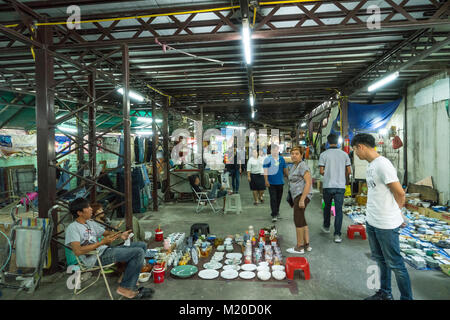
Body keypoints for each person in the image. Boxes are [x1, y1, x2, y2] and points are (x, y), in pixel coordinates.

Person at [351, 133, 412, 300]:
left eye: (355, 149)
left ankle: (407, 298)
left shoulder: (383, 165)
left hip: (386, 224)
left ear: (361, 147)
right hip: (372, 221)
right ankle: (385, 293)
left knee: (396, 264)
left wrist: (397, 213)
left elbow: (400, 193)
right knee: (380, 261)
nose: (355, 153)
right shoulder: (371, 165)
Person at [65, 198, 152, 299]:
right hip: (95, 258)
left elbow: (106, 233)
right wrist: (101, 242)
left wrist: (120, 235)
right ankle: (126, 287)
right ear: (79, 212)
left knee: (142, 245)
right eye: (88, 207)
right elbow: (78, 251)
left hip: (105, 250)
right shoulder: (73, 228)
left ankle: (127, 277)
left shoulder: (89, 223)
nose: (91, 209)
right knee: (138, 252)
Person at [318, 134, 352, 243]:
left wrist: (329, 174)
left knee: (326, 207)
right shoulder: (344, 154)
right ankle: (337, 235)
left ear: (328, 142)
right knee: (338, 211)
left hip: (328, 185)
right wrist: (342, 175)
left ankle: (326, 226)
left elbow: (321, 171)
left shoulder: (323, 154)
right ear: (338, 142)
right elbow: (349, 171)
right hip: (340, 186)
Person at [286, 147, 313, 254]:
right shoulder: (294, 166)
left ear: (301, 155)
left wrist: (302, 199)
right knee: (301, 218)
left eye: (297, 153)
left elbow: (308, 182)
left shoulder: (303, 166)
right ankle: (306, 244)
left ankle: (299, 246)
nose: (294, 155)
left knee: (297, 219)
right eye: (292, 153)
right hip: (296, 195)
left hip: (302, 195)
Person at [263, 144, 288, 222]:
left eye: (276, 149)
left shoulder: (281, 159)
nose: (275, 151)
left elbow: (285, 169)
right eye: (273, 150)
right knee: (273, 198)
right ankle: (274, 214)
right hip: (271, 183)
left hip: (280, 182)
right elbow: (265, 171)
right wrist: (266, 180)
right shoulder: (267, 159)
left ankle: (276, 212)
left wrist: (289, 177)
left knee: (278, 199)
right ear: (270, 151)